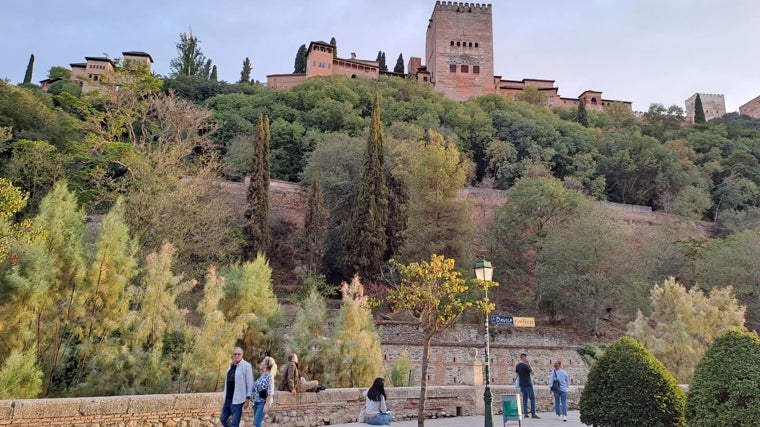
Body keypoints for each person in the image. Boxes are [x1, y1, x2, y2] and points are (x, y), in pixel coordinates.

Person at [220, 347, 254, 427]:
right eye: (235, 354)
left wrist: (248, 399)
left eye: (239, 354)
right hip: (228, 399)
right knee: (223, 419)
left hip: (238, 400)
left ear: (242, 354)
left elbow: (250, 383)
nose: (237, 355)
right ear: (233, 355)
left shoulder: (246, 366)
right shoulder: (231, 365)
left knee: (235, 424)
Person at [252, 356, 277, 427]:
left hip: (262, 403)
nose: (261, 363)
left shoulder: (270, 377)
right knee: (257, 423)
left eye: (263, 362)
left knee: (256, 423)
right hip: (257, 402)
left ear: (266, 365)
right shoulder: (263, 375)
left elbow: (270, 392)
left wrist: (266, 405)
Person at [515, 353, 540, 419]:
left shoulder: (518, 365)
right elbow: (532, 373)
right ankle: (533, 414)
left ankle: (526, 414)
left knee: (524, 399)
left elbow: (517, 374)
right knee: (532, 399)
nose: (527, 359)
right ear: (523, 358)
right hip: (528, 384)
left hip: (522, 384)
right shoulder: (525, 366)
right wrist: (529, 364)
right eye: (526, 357)